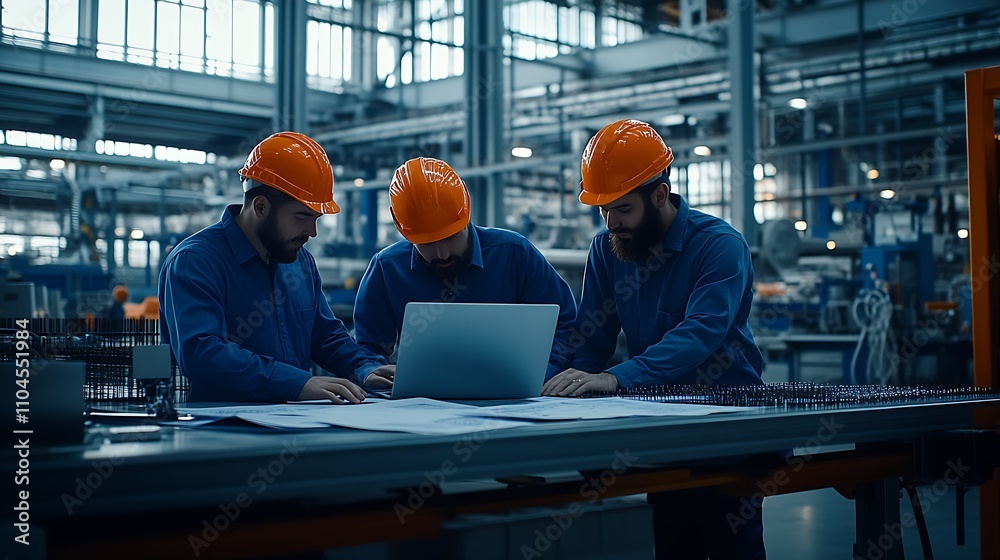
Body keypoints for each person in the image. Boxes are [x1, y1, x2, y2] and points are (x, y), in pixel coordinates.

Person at [541, 119, 765, 559]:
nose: (612, 223)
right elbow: (592, 335)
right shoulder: (608, 249)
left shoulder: (719, 246)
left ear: (659, 195)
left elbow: (701, 333)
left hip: (727, 426)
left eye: (622, 209)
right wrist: (555, 384)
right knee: (672, 542)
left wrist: (618, 378)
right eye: (603, 211)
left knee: (730, 544)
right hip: (658, 426)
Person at [159, 131, 393, 404]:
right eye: (301, 217)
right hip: (222, 431)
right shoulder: (195, 263)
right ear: (260, 207)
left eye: (315, 218)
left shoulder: (300, 262)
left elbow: (325, 336)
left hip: (297, 425)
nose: (312, 232)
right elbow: (202, 354)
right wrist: (296, 383)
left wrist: (365, 368)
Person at [354, 157, 577, 389]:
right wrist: (369, 370)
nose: (442, 254)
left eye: (450, 237)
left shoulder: (514, 254)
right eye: (426, 243)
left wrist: (544, 373)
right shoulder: (386, 268)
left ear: (467, 212)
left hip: (512, 397)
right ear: (401, 228)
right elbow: (368, 347)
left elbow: (566, 322)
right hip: (423, 404)